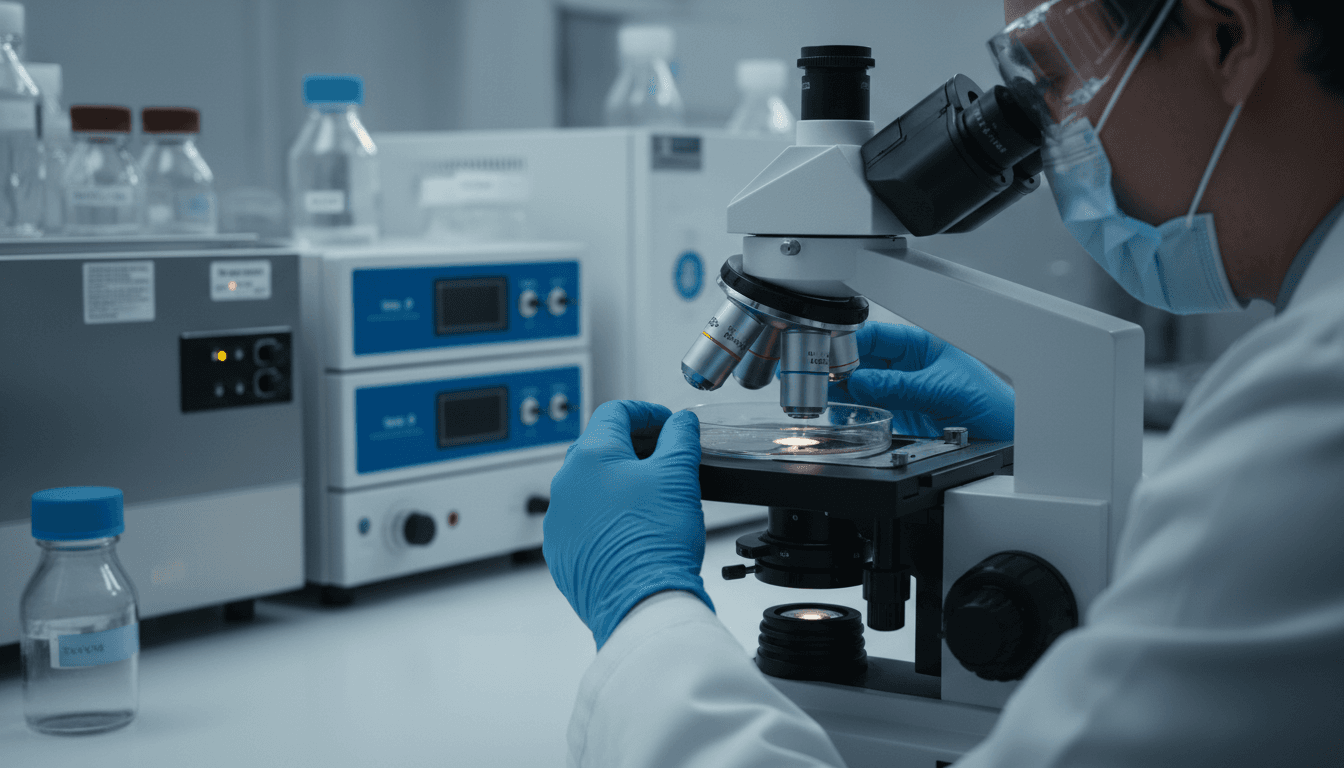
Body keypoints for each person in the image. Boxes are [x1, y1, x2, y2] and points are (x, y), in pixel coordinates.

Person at [542, 0, 1344, 765]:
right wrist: (1059, 458)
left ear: (1226, 36)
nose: (1041, 134)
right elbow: (1227, 605)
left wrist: (646, 614)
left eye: (1051, 77)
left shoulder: (1313, 399)